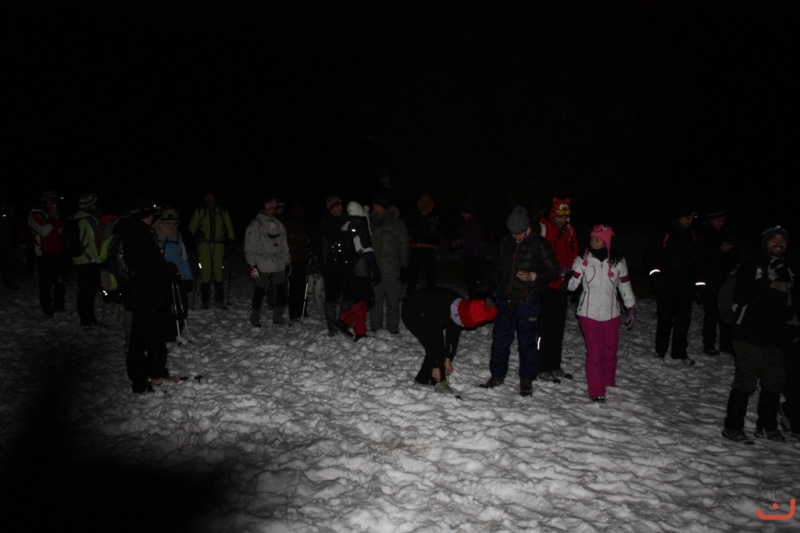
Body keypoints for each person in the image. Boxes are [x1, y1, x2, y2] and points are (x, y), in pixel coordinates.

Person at [722, 226, 797, 443]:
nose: (779, 243)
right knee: (746, 381)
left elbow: (790, 302)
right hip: (748, 333)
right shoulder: (753, 265)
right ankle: (733, 427)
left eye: (783, 239)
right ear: (765, 242)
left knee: (774, 381)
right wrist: (765, 280)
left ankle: (766, 426)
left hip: (775, 336)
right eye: (774, 239)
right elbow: (742, 296)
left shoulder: (787, 269)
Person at [480, 205, 559, 397]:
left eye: (519, 233)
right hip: (505, 301)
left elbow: (554, 271)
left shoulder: (540, 244)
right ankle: (497, 375)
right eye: (513, 233)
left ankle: (526, 380)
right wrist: (492, 280)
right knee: (500, 341)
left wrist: (533, 275)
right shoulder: (507, 242)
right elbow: (500, 265)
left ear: (528, 228)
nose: (516, 237)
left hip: (527, 302)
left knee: (527, 344)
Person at [567, 224, 637, 403]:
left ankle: (608, 383)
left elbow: (625, 285)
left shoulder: (618, 261)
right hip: (587, 313)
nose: (593, 242)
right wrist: (568, 276)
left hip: (611, 313)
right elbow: (571, 286)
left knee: (610, 350)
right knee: (595, 353)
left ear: (607, 242)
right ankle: (597, 390)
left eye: (597, 239)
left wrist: (630, 307)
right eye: (592, 238)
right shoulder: (582, 260)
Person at [114, 197, 175, 393]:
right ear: (145, 214)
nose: (153, 217)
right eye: (151, 213)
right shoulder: (138, 233)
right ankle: (140, 381)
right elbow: (153, 264)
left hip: (143, 292)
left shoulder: (132, 230)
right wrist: (168, 272)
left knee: (154, 334)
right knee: (140, 338)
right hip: (145, 293)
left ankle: (155, 372)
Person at [402, 287, 498, 392]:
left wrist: (448, 358)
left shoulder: (461, 307)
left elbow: (453, 334)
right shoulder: (440, 310)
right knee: (435, 346)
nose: (462, 326)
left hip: (430, 313)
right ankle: (430, 381)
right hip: (413, 312)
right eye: (462, 324)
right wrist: (435, 366)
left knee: (439, 347)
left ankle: (427, 380)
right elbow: (431, 341)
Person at [643, 205, 701, 365]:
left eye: (692, 218)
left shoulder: (691, 235)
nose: (690, 221)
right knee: (665, 317)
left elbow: (697, 260)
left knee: (683, 319)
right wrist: (656, 277)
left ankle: (679, 352)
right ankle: (661, 350)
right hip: (667, 283)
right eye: (687, 218)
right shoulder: (665, 232)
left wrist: (698, 283)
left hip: (685, 284)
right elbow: (650, 256)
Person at [537, 197, 580, 382]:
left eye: (565, 216)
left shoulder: (570, 230)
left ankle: (554, 365)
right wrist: (549, 271)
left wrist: (572, 272)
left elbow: (574, 253)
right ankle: (541, 366)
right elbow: (537, 254)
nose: (563, 220)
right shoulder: (543, 228)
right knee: (544, 328)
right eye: (559, 216)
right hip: (545, 285)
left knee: (557, 327)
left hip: (562, 285)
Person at [334, 201, 381, 341]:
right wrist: (375, 269)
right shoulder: (359, 225)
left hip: (347, 269)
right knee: (368, 300)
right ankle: (344, 320)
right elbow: (367, 249)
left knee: (359, 301)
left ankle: (360, 332)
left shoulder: (344, 225)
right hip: (360, 267)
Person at [696, 207, 739, 356]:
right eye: (718, 220)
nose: (721, 223)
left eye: (723, 220)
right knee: (711, 313)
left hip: (725, 281)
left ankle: (725, 343)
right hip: (710, 281)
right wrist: (719, 250)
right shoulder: (704, 235)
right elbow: (702, 259)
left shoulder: (727, 234)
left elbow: (734, 257)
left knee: (726, 311)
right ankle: (709, 343)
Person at [244, 197, 290, 327]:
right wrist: (252, 265)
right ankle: (255, 317)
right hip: (262, 264)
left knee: (281, 291)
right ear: (264, 209)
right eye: (270, 208)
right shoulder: (256, 225)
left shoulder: (279, 224)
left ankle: (278, 316)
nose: (272, 210)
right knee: (259, 292)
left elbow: (284, 245)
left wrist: (287, 261)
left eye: (274, 208)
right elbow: (249, 247)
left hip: (278, 264)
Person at [368, 193, 409, 334]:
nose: (375, 209)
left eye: (378, 206)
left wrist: (404, 265)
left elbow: (404, 246)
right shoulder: (369, 223)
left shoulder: (397, 224)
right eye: (374, 206)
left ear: (385, 208)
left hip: (391, 269)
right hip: (374, 269)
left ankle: (392, 327)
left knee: (393, 300)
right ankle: (375, 327)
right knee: (375, 300)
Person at [188, 190, 235, 309]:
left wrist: (231, 240)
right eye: (206, 196)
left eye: (210, 196)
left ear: (215, 197)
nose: (208, 198)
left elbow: (229, 226)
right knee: (205, 271)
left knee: (219, 271)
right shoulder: (200, 210)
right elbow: (192, 226)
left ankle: (219, 300)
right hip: (204, 244)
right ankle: (205, 300)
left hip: (219, 244)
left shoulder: (222, 210)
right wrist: (197, 233)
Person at [153, 206, 194, 338]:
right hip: (161, 278)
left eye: (175, 223)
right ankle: (164, 332)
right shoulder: (154, 235)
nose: (172, 226)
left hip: (177, 276)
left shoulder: (178, 236)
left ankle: (176, 332)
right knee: (164, 307)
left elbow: (183, 258)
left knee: (181, 307)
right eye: (168, 223)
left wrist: (187, 277)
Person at [27, 190, 67, 317]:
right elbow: (43, 232)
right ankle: (47, 308)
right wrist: (52, 219)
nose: (54, 204)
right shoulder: (34, 215)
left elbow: (60, 231)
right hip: (44, 255)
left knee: (60, 281)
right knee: (46, 283)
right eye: (52, 201)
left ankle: (59, 306)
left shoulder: (50, 214)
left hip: (57, 252)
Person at [311, 195, 347, 336]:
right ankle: (331, 325)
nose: (340, 208)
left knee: (347, 295)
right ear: (331, 208)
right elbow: (316, 243)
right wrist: (323, 258)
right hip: (330, 265)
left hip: (345, 264)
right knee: (331, 296)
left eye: (341, 205)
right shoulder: (323, 223)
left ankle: (343, 322)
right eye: (337, 206)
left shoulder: (346, 220)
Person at [68, 192, 102, 330]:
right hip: (89, 260)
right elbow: (93, 242)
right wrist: (100, 261)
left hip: (77, 259)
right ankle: (88, 320)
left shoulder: (73, 218)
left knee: (83, 291)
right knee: (89, 292)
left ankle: (87, 319)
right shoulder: (89, 220)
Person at [405, 192, 441, 295]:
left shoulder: (434, 218)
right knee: (413, 272)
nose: (425, 204)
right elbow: (404, 228)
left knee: (430, 273)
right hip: (416, 248)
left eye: (427, 202)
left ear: (431, 204)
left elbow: (438, 232)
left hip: (430, 249)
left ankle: (431, 293)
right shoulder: (414, 217)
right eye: (423, 202)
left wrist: (436, 244)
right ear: (420, 204)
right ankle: (410, 294)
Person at [450, 197, 486, 299]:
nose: (462, 214)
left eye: (464, 212)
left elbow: (479, 238)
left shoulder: (476, 224)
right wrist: (457, 243)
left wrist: (465, 241)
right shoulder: (464, 224)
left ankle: (480, 300)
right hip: (467, 255)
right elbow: (463, 238)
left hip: (477, 255)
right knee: (469, 279)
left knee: (478, 280)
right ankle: (472, 299)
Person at [283, 201, 312, 323]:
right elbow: (299, 241)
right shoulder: (293, 226)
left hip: (300, 259)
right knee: (296, 287)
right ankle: (295, 313)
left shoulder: (297, 225)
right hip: (294, 260)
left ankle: (301, 310)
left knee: (300, 286)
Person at [0, 197, 22, 290]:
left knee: (8, 263)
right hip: (4, 243)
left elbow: (16, 224)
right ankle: (7, 282)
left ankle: (8, 282)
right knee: (7, 263)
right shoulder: (4, 216)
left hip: (8, 243)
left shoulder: (8, 216)